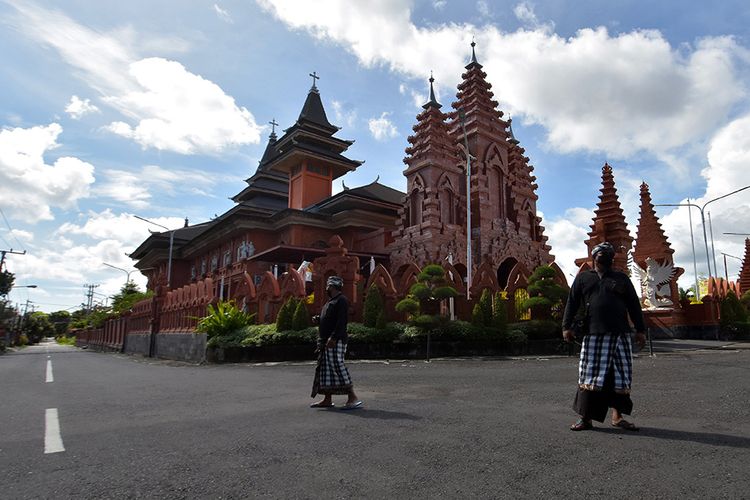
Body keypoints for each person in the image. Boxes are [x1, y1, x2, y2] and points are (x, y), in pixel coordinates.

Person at [562, 242, 646, 431]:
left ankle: (618, 417)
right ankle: (586, 419)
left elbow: (634, 305)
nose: (605, 258)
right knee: (589, 376)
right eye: (601, 255)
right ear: (594, 257)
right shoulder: (583, 278)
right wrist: (566, 327)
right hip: (593, 334)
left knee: (620, 376)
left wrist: (640, 330)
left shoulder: (621, 278)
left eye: (608, 255)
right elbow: (572, 303)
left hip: (620, 334)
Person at [310, 276, 363, 410]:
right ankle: (327, 399)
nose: (326, 288)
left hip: (335, 340)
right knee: (325, 370)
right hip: (325, 341)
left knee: (337, 366)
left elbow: (341, 321)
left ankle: (353, 397)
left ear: (332, 286)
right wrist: (319, 319)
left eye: (328, 286)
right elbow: (329, 318)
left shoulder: (341, 300)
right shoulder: (330, 301)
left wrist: (333, 338)